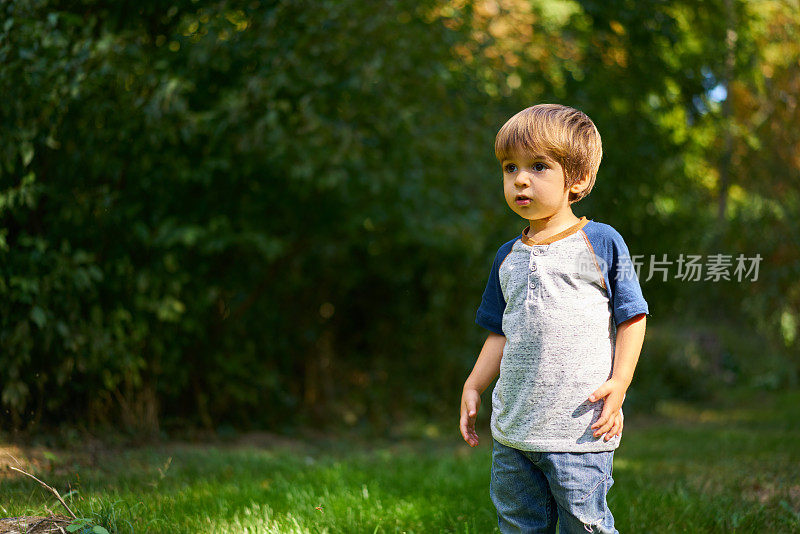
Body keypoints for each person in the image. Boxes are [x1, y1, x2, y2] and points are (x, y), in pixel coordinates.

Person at [459, 103, 649, 533]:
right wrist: (474, 384)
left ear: (577, 179)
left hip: (579, 431)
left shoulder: (600, 242)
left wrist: (619, 383)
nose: (520, 178)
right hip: (514, 430)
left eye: (538, 166)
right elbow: (499, 332)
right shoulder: (507, 257)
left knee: (586, 525)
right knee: (519, 525)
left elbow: (632, 317)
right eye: (510, 167)